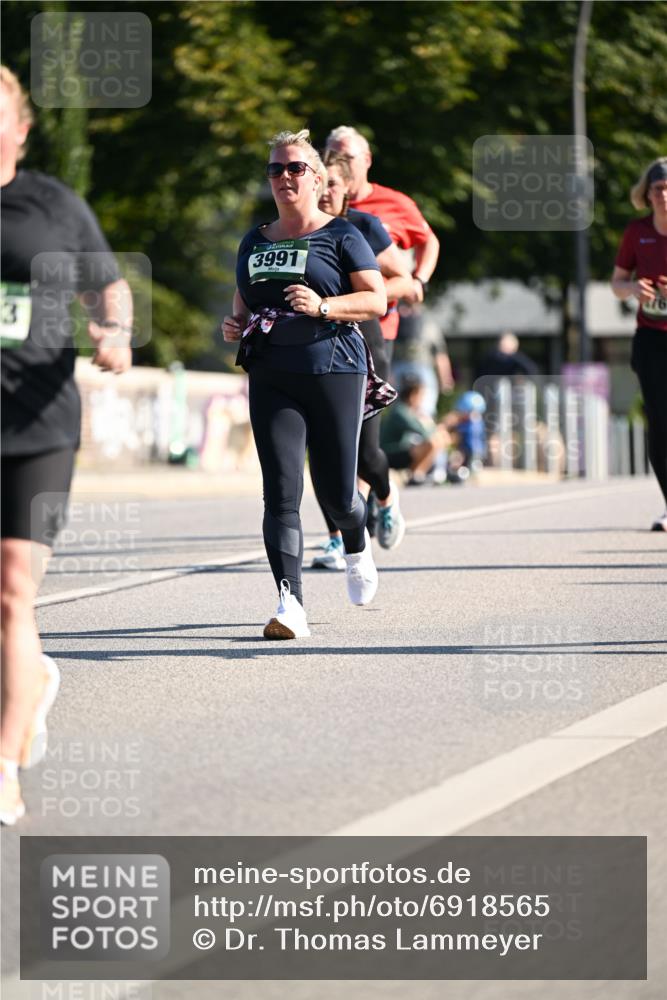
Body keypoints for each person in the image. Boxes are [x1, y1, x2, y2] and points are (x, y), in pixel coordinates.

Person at [0, 66, 133, 825]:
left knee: (14, 588)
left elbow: (106, 284)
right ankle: (33, 688)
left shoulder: (52, 204)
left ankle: (5, 765)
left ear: (21, 128)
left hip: (37, 420)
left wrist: (112, 330)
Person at [222, 129, 389, 639]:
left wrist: (322, 306)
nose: (284, 177)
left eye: (295, 168)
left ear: (317, 179)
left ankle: (356, 547)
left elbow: (376, 300)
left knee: (338, 495)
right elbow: (243, 303)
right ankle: (290, 602)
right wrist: (234, 324)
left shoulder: (341, 235)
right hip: (273, 374)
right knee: (280, 493)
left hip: (335, 368)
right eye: (275, 170)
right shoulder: (255, 239)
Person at [310, 150, 412, 569]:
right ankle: (337, 537)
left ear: (347, 187)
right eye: (323, 184)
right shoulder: (300, 231)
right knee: (322, 451)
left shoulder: (364, 227)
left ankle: (385, 498)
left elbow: (405, 276)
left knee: (366, 453)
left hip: (366, 346)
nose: (328, 191)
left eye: (335, 183)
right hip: (317, 349)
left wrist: (371, 294)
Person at [325, 126, 440, 358]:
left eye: (347, 157)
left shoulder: (393, 204)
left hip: (378, 323)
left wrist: (420, 281)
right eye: (333, 157)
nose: (341, 165)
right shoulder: (317, 209)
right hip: (324, 322)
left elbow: (429, 241)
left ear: (367, 159)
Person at [612, 156, 667, 531]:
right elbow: (616, 283)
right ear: (646, 195)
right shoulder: (637, 232)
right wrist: (633, 288)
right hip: (651, 338)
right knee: (659, 424)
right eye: (658, 189)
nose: (664, 195)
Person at [380, 375, 451, 484]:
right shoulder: (400, 412)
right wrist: (435, 426)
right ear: (413, 395)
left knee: (439, 440)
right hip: (390, 453)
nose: (422, 399)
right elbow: (424, 433)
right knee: (433, 442)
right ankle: (416, 475)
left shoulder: (409, 411)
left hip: (401, 450)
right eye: (421, 396)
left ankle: (424, 473)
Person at [392, 302, 454, 421]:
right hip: (416, 368)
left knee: (406, 409)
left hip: (409, 368)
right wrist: (445, 380)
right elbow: (440, 356)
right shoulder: (429, 325)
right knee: (423, 409)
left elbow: (440, 356)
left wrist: (445, 378)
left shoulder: (397, 323)